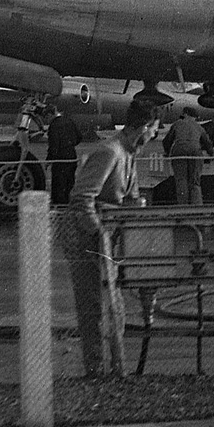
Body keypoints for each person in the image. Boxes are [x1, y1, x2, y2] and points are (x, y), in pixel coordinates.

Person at [64, 99, 158, 378]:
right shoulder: (109, 152)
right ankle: (96, 371)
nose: (155, 135)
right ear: (143, 127)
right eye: (154, 129)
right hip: (86, 241)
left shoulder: (129, 153)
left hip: (108, 241)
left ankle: (116, 370)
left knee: (114, 307)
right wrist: (99, 233)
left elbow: (130, 197)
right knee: (93, 308)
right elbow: (81, 198)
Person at [164, 107, 214, 205]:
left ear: (185, 114)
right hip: (195, 152)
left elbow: (167, 141)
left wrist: (167, 152)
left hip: (179, 152)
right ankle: (197, 206)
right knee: (195, 181)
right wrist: (211, 154)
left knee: (181, 180)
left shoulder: (177, 124)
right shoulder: (199, 127)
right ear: (194, 117)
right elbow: (207, 143)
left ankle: (183, 206)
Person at [45, 105, 87, 206]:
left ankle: (59, 206)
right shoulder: (69, 121)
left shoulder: (54, 125)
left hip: (60, 158)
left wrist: (49, 160)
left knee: (59, 184)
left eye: (46, 117)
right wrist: (70, 145)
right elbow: (79, 137)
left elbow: (54, 145)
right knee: (70, 182)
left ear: (50, 115)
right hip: (72, 155)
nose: (46, 120)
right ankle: (69, 204)